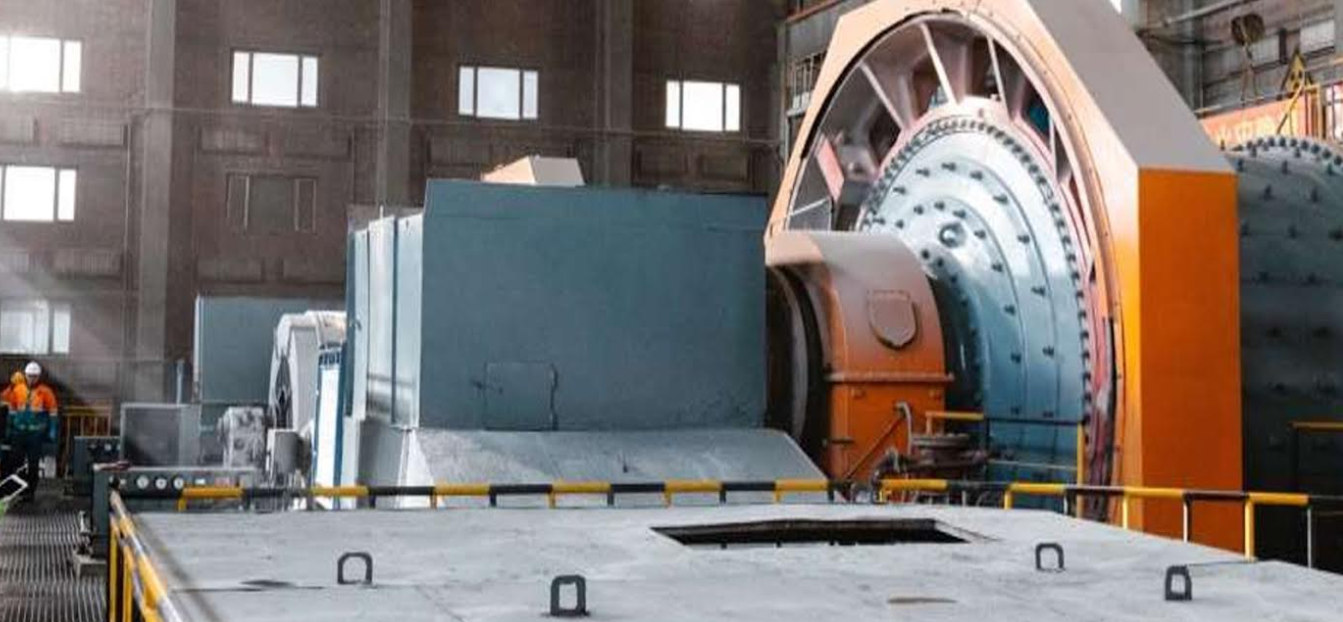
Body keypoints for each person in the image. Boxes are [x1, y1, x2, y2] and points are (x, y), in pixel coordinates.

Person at [1, 363, 58, 500]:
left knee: (33, 464)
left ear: (39, 377)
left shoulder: (46, 392)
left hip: (35, 434)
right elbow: (11, 408)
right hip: (19, 432)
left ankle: (29, 492)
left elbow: (53, 412)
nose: (32, 379)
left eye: (35, 376)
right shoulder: (17, 390)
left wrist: (52, 430)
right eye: (30, 376)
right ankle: (17, 490)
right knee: (15, 462)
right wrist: (9, 428)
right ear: (25, 375)